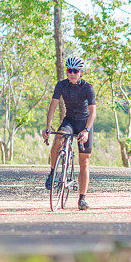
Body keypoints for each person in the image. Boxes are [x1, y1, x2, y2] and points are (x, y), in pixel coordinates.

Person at [43, 55, 96, 210]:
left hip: (84, 123)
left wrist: (86, 130)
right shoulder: (61, 85)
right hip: (70, 120)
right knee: (59, 137)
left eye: (75, 71)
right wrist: (48, 126)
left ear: (81, 72)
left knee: (84, 161)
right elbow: (53, 106)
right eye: (69, 70)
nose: (72, 73)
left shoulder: (88, 88)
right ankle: (52, 173)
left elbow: (93, 112)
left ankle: (82, 198)